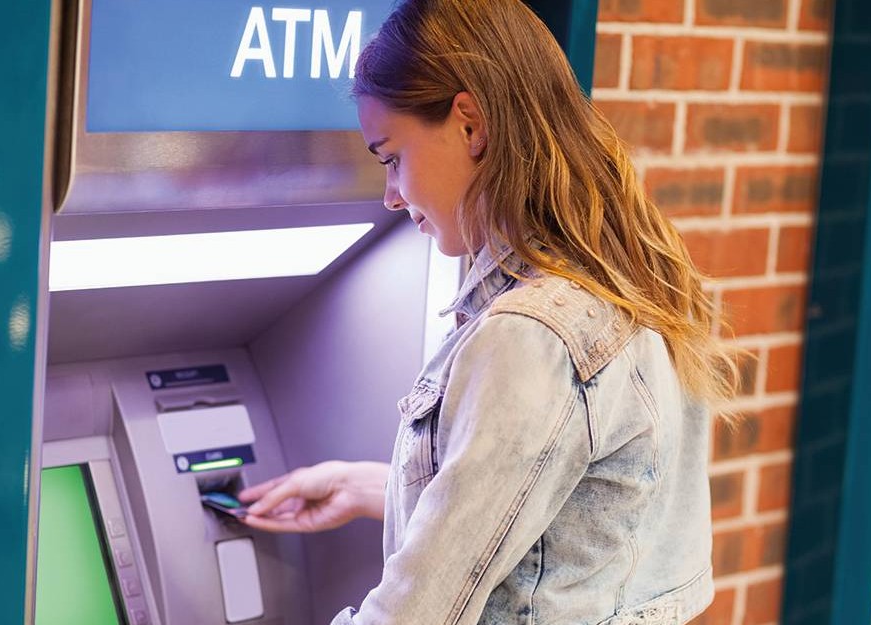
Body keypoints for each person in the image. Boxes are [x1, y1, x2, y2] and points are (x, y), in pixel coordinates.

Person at [238, 1, 742, 623]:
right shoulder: (634, 278)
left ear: (471, 124)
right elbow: (568, 514)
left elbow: (415, 615)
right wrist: (366, 487)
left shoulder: (532, 334)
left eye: (392, 158)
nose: (390, 195)